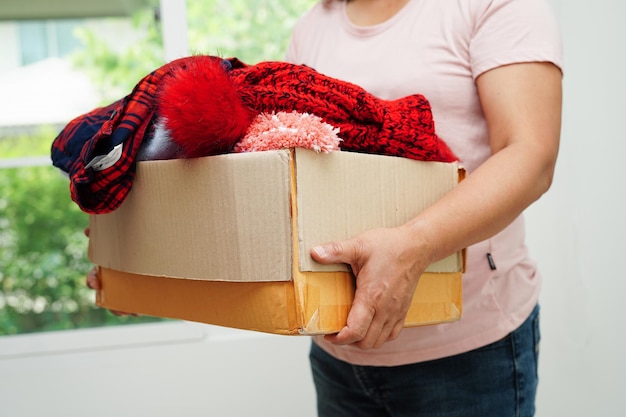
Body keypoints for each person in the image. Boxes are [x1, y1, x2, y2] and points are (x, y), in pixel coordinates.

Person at [284, 0, 563, 416]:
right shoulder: (312, 26)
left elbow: (531, 155)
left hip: (470, 354)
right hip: (338, 353)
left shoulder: (491, 5)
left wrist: (413, 246)